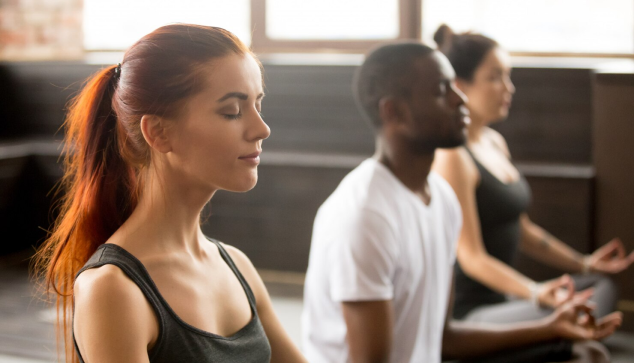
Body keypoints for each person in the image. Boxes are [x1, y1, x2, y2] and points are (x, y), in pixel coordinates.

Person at [301, 41, 622, 363]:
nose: (461, 100)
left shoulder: (441, 198)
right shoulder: (365, 216)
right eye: (443, 91)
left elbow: (446, 339)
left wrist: (551, 327)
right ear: (394, 111)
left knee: (588, 352)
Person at [33, 24, 306, 363]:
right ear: (159, 132)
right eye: (232, 111)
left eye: (258, 105)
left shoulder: (236, 266)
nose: (261, 129)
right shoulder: (113, 290)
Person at [431, 24, 634, 326]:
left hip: (506, 300)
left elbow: (523, 231)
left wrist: (585, 263)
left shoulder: (494, 142)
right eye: (495, 77)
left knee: (599, 287)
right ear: (460, 85)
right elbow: (471, 258)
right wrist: (535, 292)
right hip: (471, 312)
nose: (508, 88)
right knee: (579, 322)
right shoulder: (452, 157)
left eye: (507, 76)